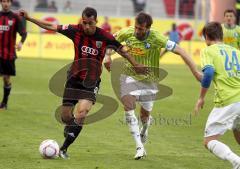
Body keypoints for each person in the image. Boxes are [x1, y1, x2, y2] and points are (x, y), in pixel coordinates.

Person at [20, 7, 147, 159]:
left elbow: (122, 50)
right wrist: (29, 18)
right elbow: (50, 26)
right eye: (84, 22)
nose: (87, 26)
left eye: (90, 23)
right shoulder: (75, 30)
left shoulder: (105, 36)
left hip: (91, 82)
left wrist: (135, 64)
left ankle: (64, 149)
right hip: (74, 78)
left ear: (96, 22)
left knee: (82, 113)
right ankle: (72, 128)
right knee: (66, 117)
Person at [104, 12, 201, 160]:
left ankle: (145, 129)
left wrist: (195, 71)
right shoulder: (127, 32)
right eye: (136, 27)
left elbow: (180, 50)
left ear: (148, 28)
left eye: (141, 29)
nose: (137, 31)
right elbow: (109, 41)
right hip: (129, 76)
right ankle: (139, 147)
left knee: (144, 115)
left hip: (150, 80)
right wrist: (107, 55)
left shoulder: (157, 37)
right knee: (128, 107)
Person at [194, 22, 240, 169]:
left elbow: (208, 74)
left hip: (227, 100)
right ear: (222, 35)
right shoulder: (236, 52)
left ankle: (236, 162)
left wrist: (201, 97)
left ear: (206, 37)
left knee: (209, 140)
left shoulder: (208, 51)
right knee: (237, 131)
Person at [0, 0, 27, 109]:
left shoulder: (15, 17)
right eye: (3, 1)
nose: (6, 4)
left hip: (9, 54)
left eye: (8, 1)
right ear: (1, 3)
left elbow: (23, 33)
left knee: (6, 79)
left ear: (10, 3)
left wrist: (20, 43)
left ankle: (4, 103)